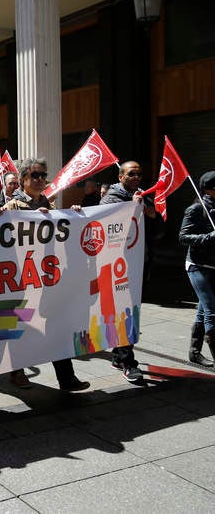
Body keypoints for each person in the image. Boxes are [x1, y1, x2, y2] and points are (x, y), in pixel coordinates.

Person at [0, 157, 90, 392]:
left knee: (56, 325)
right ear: (23, 180)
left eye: (43, 176)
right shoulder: (13, 206)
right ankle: (17, 371)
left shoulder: (50, 205)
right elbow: (1, 239)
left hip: (48, 277)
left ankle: (66, 378)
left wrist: (74, 215)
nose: (40, 180)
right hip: (22, 278)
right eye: (34, 175)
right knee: (21, 325)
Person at [100, 160, 164, 383]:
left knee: (131, 310)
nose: (136, 177)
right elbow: (108, 228)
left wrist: (151, 213)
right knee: (125, 312)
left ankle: (119, 356)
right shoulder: (111, 198)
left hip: (140, 263)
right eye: (131, 174)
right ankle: (128, 363)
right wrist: (131, 209)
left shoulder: (143, 197)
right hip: (118, 265)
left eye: (139, 174)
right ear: (121, 177)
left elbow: (158, 231)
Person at [178, 171, 215, 368]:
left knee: (203, 311)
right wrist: (211, 236)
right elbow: (183, 237)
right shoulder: (196, 209)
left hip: (214, 265)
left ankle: (194, 353)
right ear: (209, 190)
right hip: (197, 266)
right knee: (212, 312)